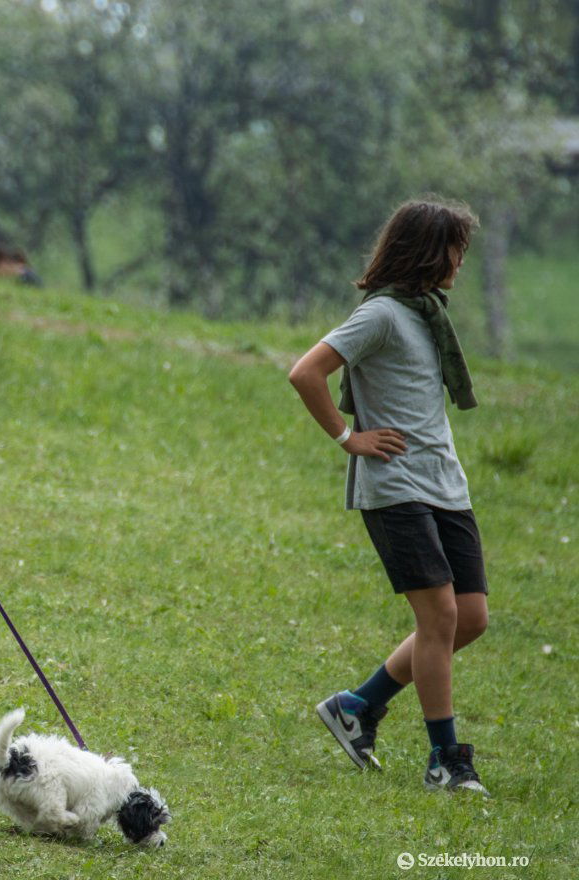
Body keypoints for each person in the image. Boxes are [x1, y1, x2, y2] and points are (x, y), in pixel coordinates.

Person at [288, 196, 489, 795]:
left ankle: (360, 706)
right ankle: (445, 761)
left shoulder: (427, 314)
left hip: (446, 485)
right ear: (430, 252)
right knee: (439, 616)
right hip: (397, 488)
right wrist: (349, 437)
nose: (460, 262)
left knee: (470, 619)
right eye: (456, 250)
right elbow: (305, 371)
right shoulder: (380, 315)